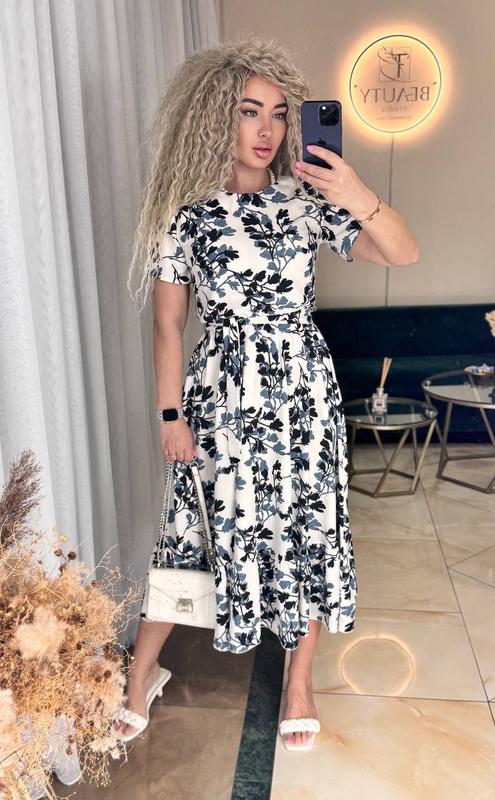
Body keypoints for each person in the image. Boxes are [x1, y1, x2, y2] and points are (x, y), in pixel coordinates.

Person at [115, 35, 419, 751]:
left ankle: (300, 682)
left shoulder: (307, 202)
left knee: (305, 528)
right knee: (190, 530)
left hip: (301, 395)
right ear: (214, 116)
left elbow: (402, 252)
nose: (267, 129)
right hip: (219, 395)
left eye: (279, 114)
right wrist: (169, 414)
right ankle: (142, 672)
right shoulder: (185, 214)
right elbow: (168, 323)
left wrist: (355, 193)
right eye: (249, 111)